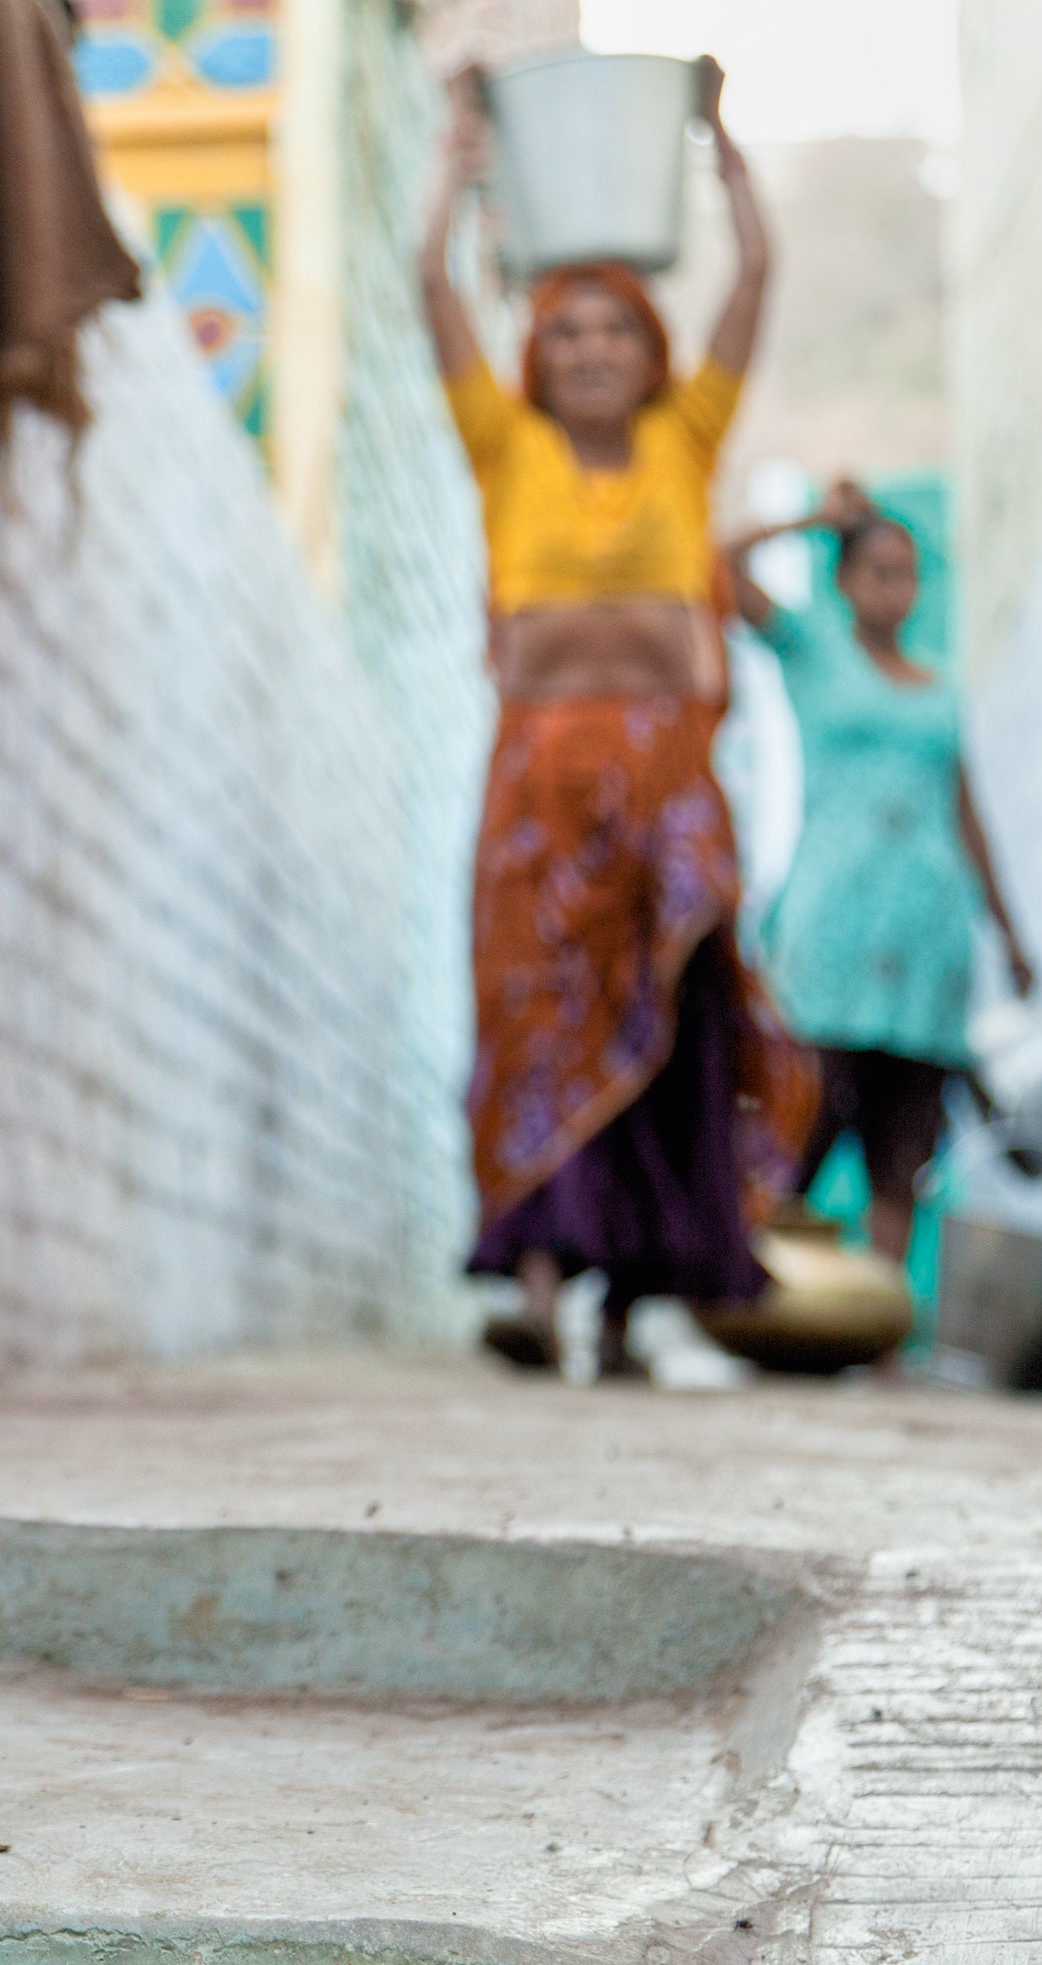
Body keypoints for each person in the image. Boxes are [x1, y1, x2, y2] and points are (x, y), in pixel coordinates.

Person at [419, 63, 815, 1380]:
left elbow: (756, 282)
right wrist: (461, 153)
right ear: (541, 356)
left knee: (673, 1008)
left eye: (618, 333)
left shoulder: (686, 441)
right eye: (569, 333)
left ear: (654, 356)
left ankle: (633, 1308)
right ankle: (536, 1297)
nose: (593, 351)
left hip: (665, 774)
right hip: (539, 777)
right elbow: (432, 290)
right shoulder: (505, 445)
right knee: (535, 1014)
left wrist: (719, 137)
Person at [723, 480, 1034, 1264]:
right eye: (876, 571)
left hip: (927, 934)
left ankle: (886, 1318)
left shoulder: (939, 694)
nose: (893, 588)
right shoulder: (813, 650)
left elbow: (969, 818)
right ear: (843, 580)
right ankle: (764, 1298)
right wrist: (811, 520)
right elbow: (714, 564)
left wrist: (1010, 933)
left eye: (906, 573)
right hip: (835, 919)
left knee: (906, 1130)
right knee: (805, 1108)